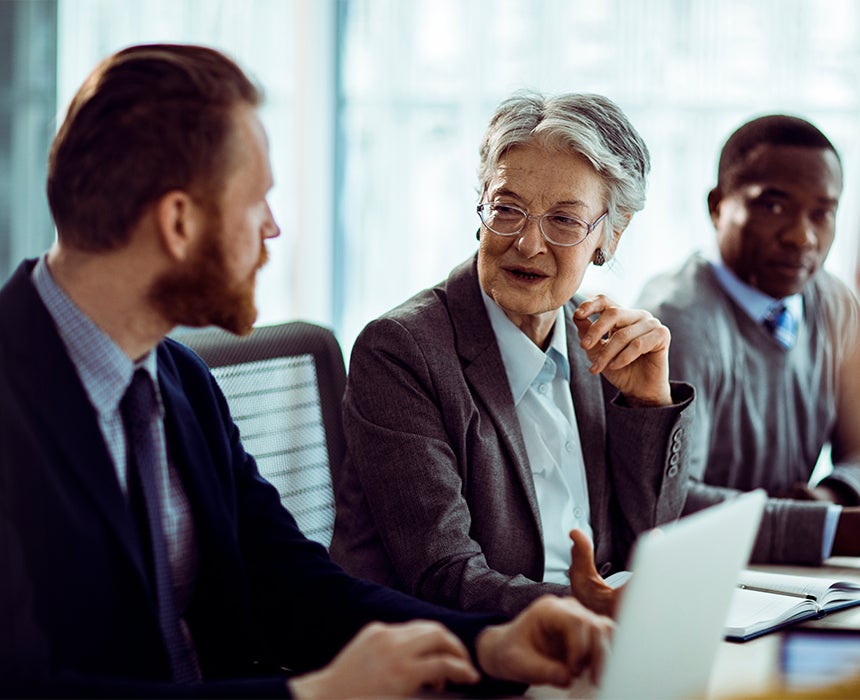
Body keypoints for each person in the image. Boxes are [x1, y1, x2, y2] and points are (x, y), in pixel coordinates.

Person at [0, 44, 617, 698]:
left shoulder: (176, 383)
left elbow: (291, 584)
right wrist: (311, 696)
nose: (273, 228)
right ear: (179, 222)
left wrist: (490, 643)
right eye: (257, 201)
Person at [329, 91, 695, 618]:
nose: (527, 243)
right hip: (458, 657)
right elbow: (442, 576)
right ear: (481, 208)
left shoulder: (597, 336)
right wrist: (590, 608)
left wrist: (647, 406)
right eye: (508, 209)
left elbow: (649, 540)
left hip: (594, 638)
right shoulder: (401, 351)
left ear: (609, 237)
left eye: (564, 221)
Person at [637, 115, 860, 564]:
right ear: (718, 206)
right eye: (772, 207)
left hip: (791, 580)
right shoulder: (676, 320)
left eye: (822, 213)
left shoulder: (833, 301)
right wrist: (830, 528)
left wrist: (830, 494)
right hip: (699, 576)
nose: (802, 237)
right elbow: (669, 506)